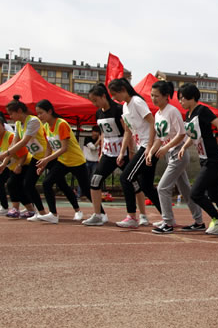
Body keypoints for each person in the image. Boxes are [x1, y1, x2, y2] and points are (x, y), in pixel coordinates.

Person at [0, 95, 67, 222]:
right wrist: (5, 162)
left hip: (48, 156)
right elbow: (14, 143)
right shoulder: (17, 124)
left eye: (11, 114)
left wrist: (5, 153)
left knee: (62, 184)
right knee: (28, 184)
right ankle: (41, 212)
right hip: (37, 157)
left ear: (19, 111)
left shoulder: (33, 121)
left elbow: (24, 141)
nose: (10, 117)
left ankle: (78, 210)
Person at [147, 80, 204, 234]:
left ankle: (168, 222)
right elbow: (160, 138)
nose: (153, 98)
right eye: (152, 95)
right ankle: (199, 221)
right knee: (185, 189)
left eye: (157, 96)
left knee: (162, 187)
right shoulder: (158, 114)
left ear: (166, 96)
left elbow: (181, 134)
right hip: (171, 155)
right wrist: (151, 151)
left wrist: (166, 147)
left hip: (179, 153)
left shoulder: (172, 111)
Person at [178, 83, 218, 235]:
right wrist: (184, 147)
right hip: (204, 158)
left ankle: (217, 219)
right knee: (216, 194)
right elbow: (195, 135)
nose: (180, 101)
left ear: (192, 97)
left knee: (195, 193)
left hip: (213, 158)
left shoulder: (202, 110)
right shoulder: (189, 115)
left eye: (182, 98)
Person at [107, 78, 161, 229]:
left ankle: (131, 216)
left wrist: (149, 146)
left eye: (114, 94)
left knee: (126, 178)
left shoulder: (137, 102)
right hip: (142, 146)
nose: (113, 98)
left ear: (123, 90)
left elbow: (152, 122)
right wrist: (121, 152)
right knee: (147, 186)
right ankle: (167, 217)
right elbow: (127, 131)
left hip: (147, 147)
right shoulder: (125, 107)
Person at [82, 84, 132, 226]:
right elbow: (103, 133)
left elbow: (128, 131)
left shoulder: (119, 109)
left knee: (134, 183)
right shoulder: (98, 113)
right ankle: (98, 215)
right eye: (92, 101)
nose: (94, 104)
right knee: (95, 180)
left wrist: (129, 152)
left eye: (95, 100)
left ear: (104, 96)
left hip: (123, 152)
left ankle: (140, 216)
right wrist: (102, 151)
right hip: (108, 153)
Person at [33, 99, 90, 223]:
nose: (39, 116)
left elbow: (64, 148)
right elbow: (48, 147)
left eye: (41, 113)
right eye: (37, 114)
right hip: (63, 162)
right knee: (47, 183)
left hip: (77, 161)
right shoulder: (46, 127)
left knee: (86, 190)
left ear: (49, 111)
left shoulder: (62, 124)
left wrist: (47, 159)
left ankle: (99, 213)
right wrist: (43, 163)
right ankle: (53, 214)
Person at [0, 116, 36, 218]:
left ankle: (15, 209)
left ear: (3, 127)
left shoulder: (10, 137)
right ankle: (30, 209)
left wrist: (19, 165)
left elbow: (24, 154)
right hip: (12, 166)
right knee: (16, 187)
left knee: (12, 184)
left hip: (25, 163)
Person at [79, 125, 101, 199]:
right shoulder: (87, 139)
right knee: (84, 178)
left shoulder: (100, 141)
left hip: (95, 162)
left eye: (97, 132)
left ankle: (90, 195)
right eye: (94, 132)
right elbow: (93, 148)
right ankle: (80, 194)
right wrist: (99, 140)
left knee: (93, 179)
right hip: (86, 161)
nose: (95, 134)